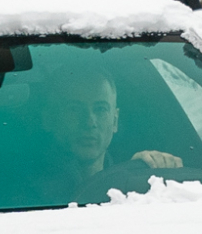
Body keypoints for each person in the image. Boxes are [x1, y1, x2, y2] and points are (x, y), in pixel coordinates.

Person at [34, 68, 181, 205]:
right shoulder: (22, 193)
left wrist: (150, 170)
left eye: (100, 109)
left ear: (115, 121)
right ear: (48, 119)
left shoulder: (140, 181)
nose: (89, 122)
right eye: (74, 109)